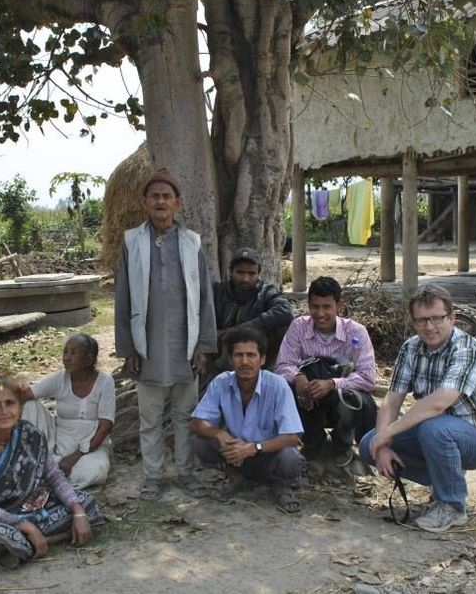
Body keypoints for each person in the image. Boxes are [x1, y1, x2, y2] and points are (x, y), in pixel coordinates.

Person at [359, 283, 476, 533]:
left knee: (434, 428)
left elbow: (438, 403)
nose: (429, 327)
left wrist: (388, 433)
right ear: (413, 322)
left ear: (452, 318)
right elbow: (392, 401)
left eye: (436, 319)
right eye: (421, 320)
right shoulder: (411, 348)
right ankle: (442, 479)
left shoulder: (466, 349)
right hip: (436, 430)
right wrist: (382, 443)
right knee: (367, 445)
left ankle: (452, 505)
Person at [114, 167, 217, 500]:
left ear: (177, 203)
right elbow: (123, 297)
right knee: (150, 417)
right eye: (155, 196)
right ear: (145, 202)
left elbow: (204, 298)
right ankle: (154, 476)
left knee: (185, 413)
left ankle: (186, 472)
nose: (160, 201)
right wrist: (127, 345)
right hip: (148, 347)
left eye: (166, 196)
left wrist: (203, 344)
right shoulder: (132, 241)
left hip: (184, 345)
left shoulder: (191, 243)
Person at [0, 375, 104, 565]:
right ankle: (35, 538)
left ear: (20, 408)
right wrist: (23, 524)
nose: (4, 411)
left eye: (10, 403)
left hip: (25, 508)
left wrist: (78, 512)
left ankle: (31, 544)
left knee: (86, 505)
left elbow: (54, 477)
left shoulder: (30, 435)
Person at [191, 326, 305, 513]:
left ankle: (283, 487)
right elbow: (196, 423)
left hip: (268, 454)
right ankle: (235, 477)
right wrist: (219, 434)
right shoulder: (221, 382)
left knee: (289, 456)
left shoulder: (277, 385)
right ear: (230, 359)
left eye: (251, 355)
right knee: (201, 441)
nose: (245, 362)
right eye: (238, 355)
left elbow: (293, 436)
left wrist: (252, 448)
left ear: (262, 359)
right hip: (236, 455)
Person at [275, 276, 377, 465]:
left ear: (339, 305)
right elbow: (282, 365)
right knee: (283, 388)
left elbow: (368, 377)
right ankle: (311, 442)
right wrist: (298, 378)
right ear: (308, 304)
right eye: (315, 307)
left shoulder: (356, 332)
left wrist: (331, 384)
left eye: (326, 307)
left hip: (338, 397)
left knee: (352, 399)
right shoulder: (298, 327)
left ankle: (342, 445)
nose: (320, 313)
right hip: (307, 398)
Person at [19, 333, 115, 489]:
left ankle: (51, 476)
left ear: (89, 360)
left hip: (90, 450)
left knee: (96, 471)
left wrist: (74, 457)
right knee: (29, 405)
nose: (66, 357)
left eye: (73, 353)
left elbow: (106, 427)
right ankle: (47, 464)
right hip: (57, 445)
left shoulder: (105, 382)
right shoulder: (59, 378)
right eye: (65, 352)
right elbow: (25, 395)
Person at [208, 247, 295, 381]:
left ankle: (270, 376)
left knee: (282, 328)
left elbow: (285, 311)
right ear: (231, 272)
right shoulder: (217, 291)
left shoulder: (266, 292)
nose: (246, 278)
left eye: (251, 273)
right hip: (220, 354)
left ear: (259, 273)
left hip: (254, 355)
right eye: (240, 272)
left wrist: (239, 330)